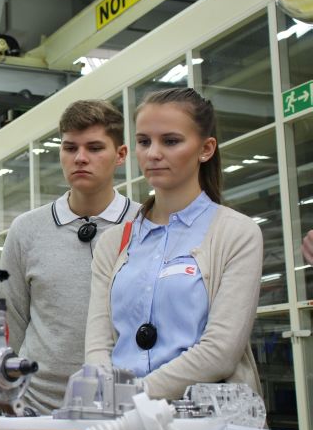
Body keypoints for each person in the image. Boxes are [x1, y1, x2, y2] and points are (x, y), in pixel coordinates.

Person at [85, 87, 262, 400]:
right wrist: (107, 397)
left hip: (206, 429)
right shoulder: (112, 243)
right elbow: (98, 346)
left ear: (205, 149)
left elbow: (220, 351)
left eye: (171, 141)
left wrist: (135, 396)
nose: (153, 153)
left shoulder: (237, 233)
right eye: (144, 141)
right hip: (122, 424)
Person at [0, 100, 139, 415]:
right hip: (36, 407)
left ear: (121, 155)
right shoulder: (26, 230)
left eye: (94, 147)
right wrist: (8, 397)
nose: (80, 158)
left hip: (125, 407)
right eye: (70, 148)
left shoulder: (147, 225)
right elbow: (11, 321)